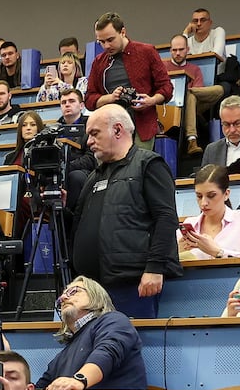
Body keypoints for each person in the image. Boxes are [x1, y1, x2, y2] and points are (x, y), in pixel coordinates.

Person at [66, 105, 180, 319]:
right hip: (93, 288)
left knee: (130, 347)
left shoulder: (149, 164)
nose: (88, 142)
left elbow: (165, 219)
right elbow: (80, 224)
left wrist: (154, 268)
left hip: (132, 284)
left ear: (117, 130)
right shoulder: (95, 175)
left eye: (94, 133)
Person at [37, 277, 149, 390]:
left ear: (95, 295)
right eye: (61, 297)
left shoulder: (114, 320)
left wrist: (79, 380)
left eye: (73, 291)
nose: (64, 298)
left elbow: (107, 353)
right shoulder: (63, 354)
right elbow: (41, 388)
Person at [85, 12, 173, 145]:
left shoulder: (147, 52)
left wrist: (151, 100)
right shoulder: (98, 63)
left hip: (142, 127)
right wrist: (111, 98)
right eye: (101, 42)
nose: (106, 46)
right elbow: (89, 100)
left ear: (123, 32)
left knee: (138, 164)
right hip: (110, 128)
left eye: (110, 40)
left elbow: (166, 88)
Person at [179, 165, 240, 261]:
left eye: (211, 195)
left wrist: (218, 252)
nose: (204, 203)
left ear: (226, 194)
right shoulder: (189, 223)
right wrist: (177, 252)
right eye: (199, 196)